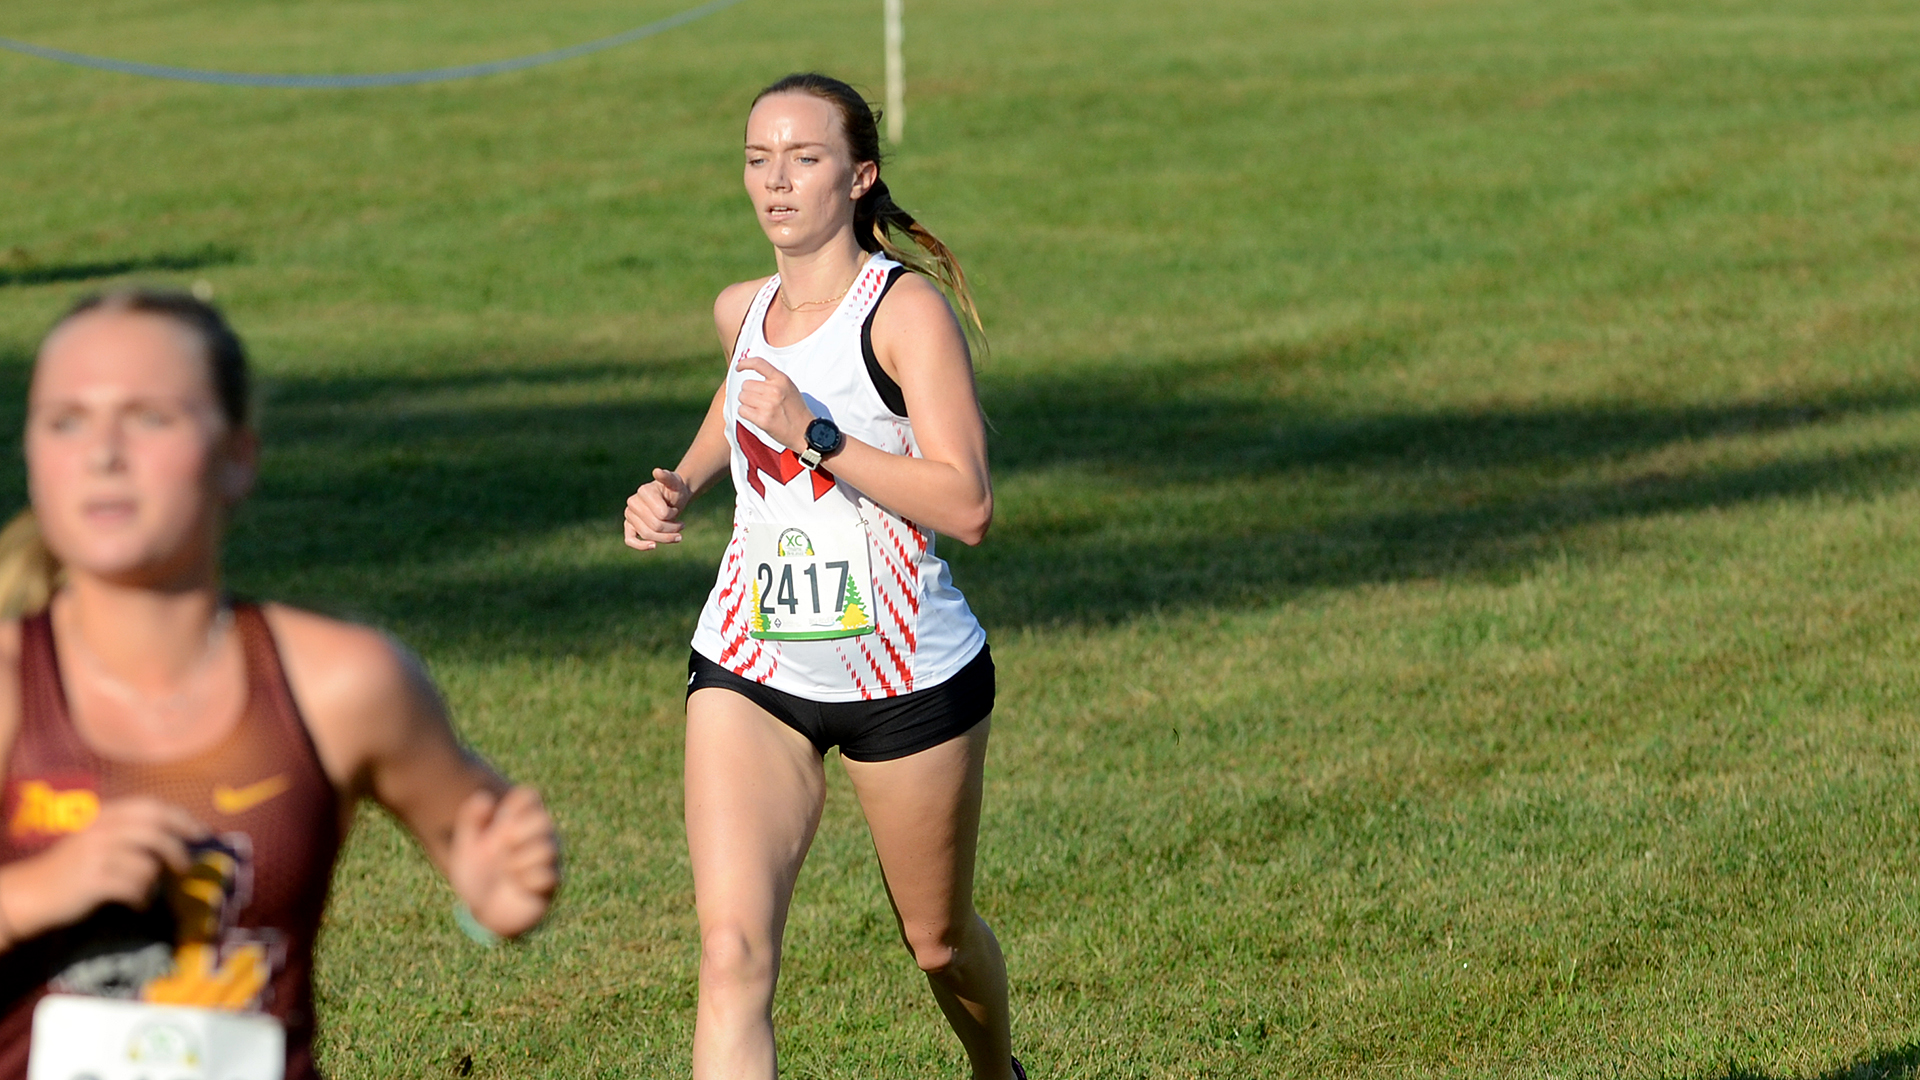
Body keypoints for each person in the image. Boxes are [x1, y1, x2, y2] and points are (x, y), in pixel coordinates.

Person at [0, 288, 561, 1079]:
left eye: (150, 417)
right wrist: (36, 893)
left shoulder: (340, 683)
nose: (102, 453)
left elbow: (478, 854)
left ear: (238, 457)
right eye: (67, 420)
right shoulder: (11, 691)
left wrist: (493, 898)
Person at [623, 73, 1021, 1080]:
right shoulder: (740, 309)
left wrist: (820, 434)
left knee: (937, 942)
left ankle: (995, 1071)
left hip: (905, 682)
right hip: (752, 664)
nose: (776, 181)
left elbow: (967, 505)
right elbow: (739, 397)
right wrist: (679, 481)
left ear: (859, 176)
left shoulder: (902, 316)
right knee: (733, 951)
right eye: (759, 159)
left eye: (804, 159)